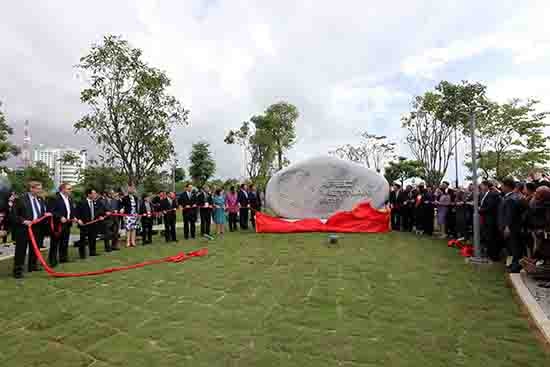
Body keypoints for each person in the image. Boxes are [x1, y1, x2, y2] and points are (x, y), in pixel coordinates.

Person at [12, 181, 48, 278]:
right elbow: (14, 215)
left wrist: (45, 215)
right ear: (31, 189)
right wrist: (23, 221)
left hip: (37, 228)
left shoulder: (40, 199)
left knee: (35, 248)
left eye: (41, 188)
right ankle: (18, 271)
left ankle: (32, 266)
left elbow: (41, 211)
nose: (40, 190)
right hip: (24, 229)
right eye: (38, 188)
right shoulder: (20, 199)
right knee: (21, 250)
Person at [498, 177, 525, 273]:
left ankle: (515, 267)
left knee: (514, 247)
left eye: (502, 185)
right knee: (512, 247)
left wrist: (507, 227)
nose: (501, 187)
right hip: (511, 227)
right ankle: (512, 265)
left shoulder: (511, 198)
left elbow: (510, 215)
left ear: (507, 186)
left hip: (512, 227)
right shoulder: (510, 197)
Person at [48, 183, 76, 266]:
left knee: (64, 242)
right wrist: (60, 217)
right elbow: (51, 211)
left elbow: (70, 210)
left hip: (67, 224)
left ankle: (63, 258)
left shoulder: (69, 199)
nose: (70, 190)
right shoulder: (55, 198)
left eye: (70, 189)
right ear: (63, 189)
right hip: (57, 225)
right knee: (55, 243)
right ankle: (52, 260)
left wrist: (73, 217)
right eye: (69, 189)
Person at [76, 188, 105, 258]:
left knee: (92, 238)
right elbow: (76, 213)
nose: (95, 195)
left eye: (95, 193)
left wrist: (101, 216)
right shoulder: (82, 202)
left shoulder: (96, 203)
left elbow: (101, 212)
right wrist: (78, 220)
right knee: (82, 239)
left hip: (94, 224)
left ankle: (92, 252)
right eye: (94, 193)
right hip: (84, 224)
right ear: (89, 194)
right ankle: (82, 254)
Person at [479, 180, 502, 261]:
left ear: (486, 186)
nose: (481, 187)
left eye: (482, 185)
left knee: (492, 238)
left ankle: (494, 256)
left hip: (491, 219)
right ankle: (489, 254)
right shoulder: (485, 194)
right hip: (486, 218)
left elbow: (490, 207)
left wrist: (479, 210)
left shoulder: (492, 194)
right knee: (488, 237)